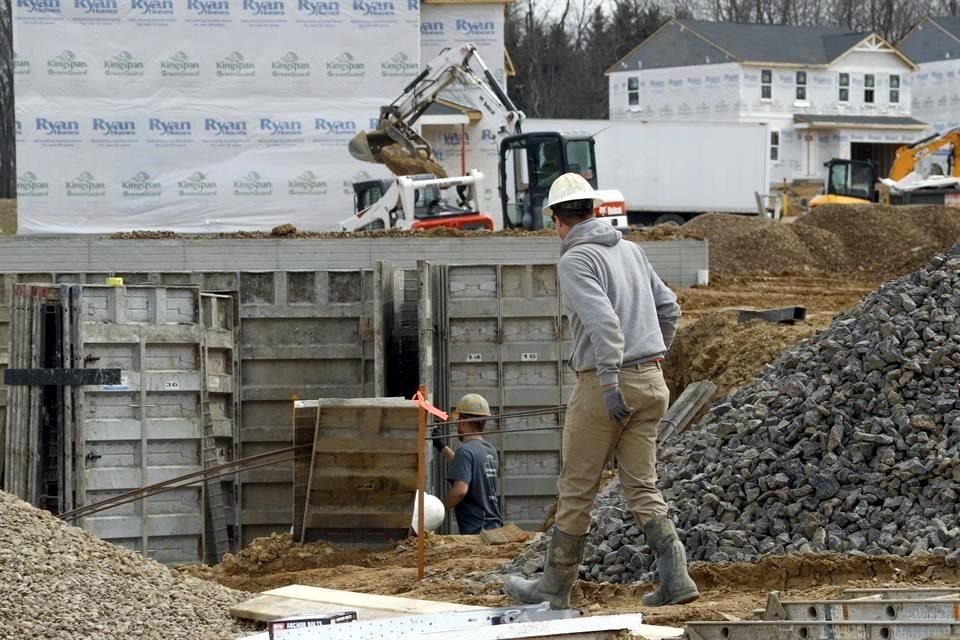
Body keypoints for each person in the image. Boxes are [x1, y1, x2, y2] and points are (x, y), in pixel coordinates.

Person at [503, 173, 698, 609]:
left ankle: (554, 586)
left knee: (577, 488)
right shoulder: (630, 251)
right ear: (593, 211)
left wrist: (610, 381)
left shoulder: (575, 261)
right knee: (642, 485)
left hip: (606, 385)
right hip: (651, 382)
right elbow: (670, 308)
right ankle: (676, 576)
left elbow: (605, 324)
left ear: (557, 219)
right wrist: (654, 353)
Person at [432, 393, 503, 534]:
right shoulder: (490, 450)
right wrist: (441, 446)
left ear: (463, 422)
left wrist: (439, 508)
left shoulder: (465, 451)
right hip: (493, 525)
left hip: (476, 529)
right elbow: (466, 467)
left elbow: (460, 490)